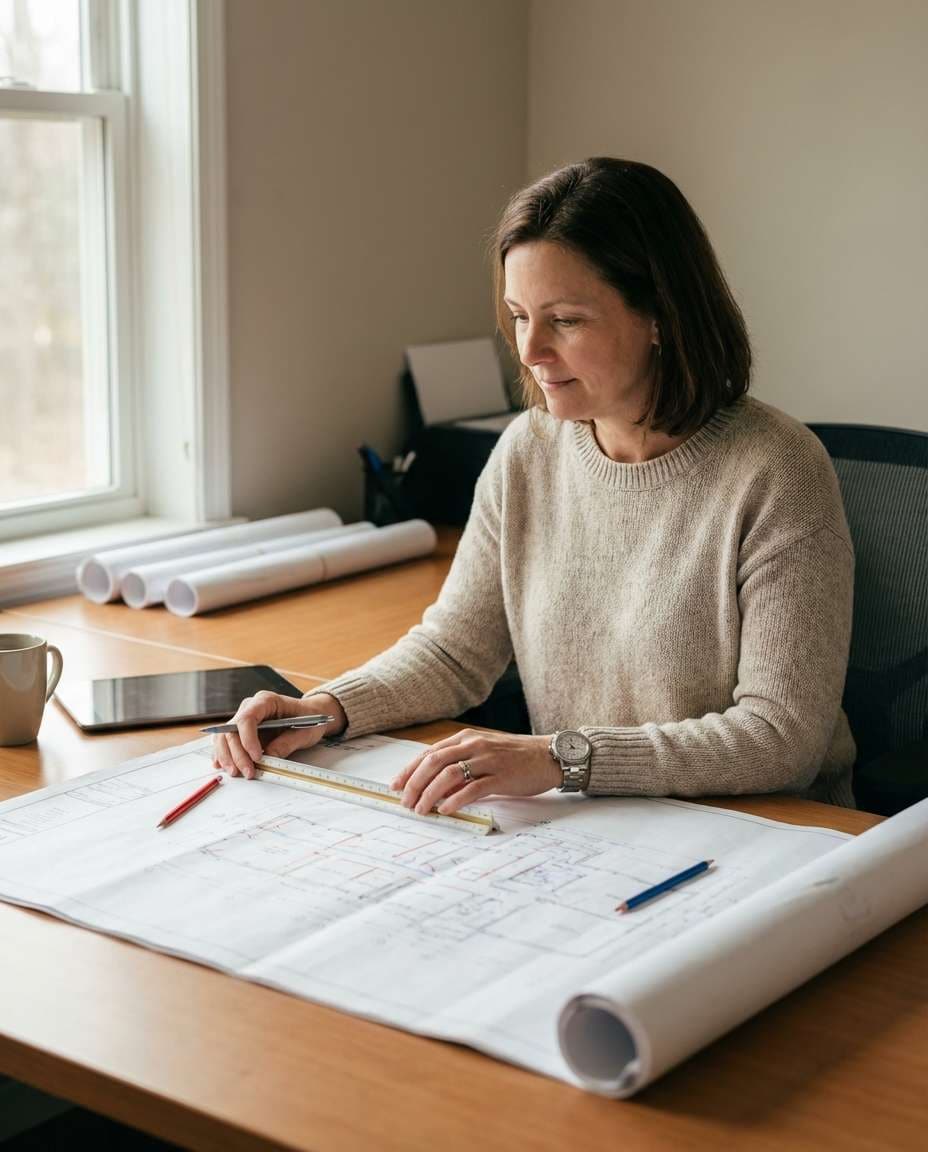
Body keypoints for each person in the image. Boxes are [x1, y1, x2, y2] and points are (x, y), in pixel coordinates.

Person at [214, 157, 856, 811]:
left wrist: (559, 757)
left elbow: (781, 738)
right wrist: (324, 709)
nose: (530, 351)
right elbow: (455, 650)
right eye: (520, 316)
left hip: (767, 829)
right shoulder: (528, 450)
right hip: (594, 818)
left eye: (566, 321)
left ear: (660, 314)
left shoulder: (777, 471)